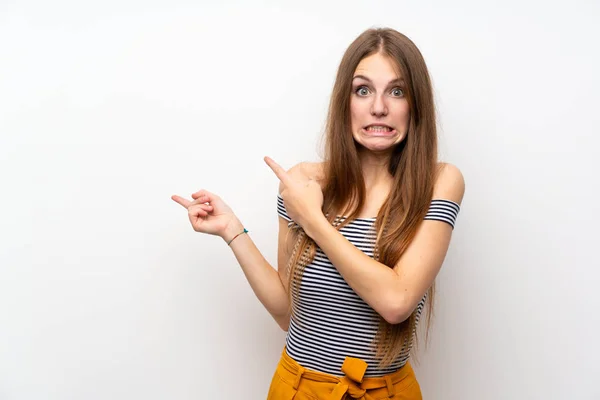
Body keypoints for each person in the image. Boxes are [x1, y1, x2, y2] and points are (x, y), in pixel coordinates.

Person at [172, 27, 465, 400]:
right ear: (345, 102)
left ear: (415, 104)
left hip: (387, 392)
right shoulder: (302, 182)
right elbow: (286, 312)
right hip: (297, 388)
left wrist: (314, 220)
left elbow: (397, 302)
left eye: (397, 90)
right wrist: (232, 230)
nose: (379, 107)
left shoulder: (440, 182)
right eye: (363, 90)